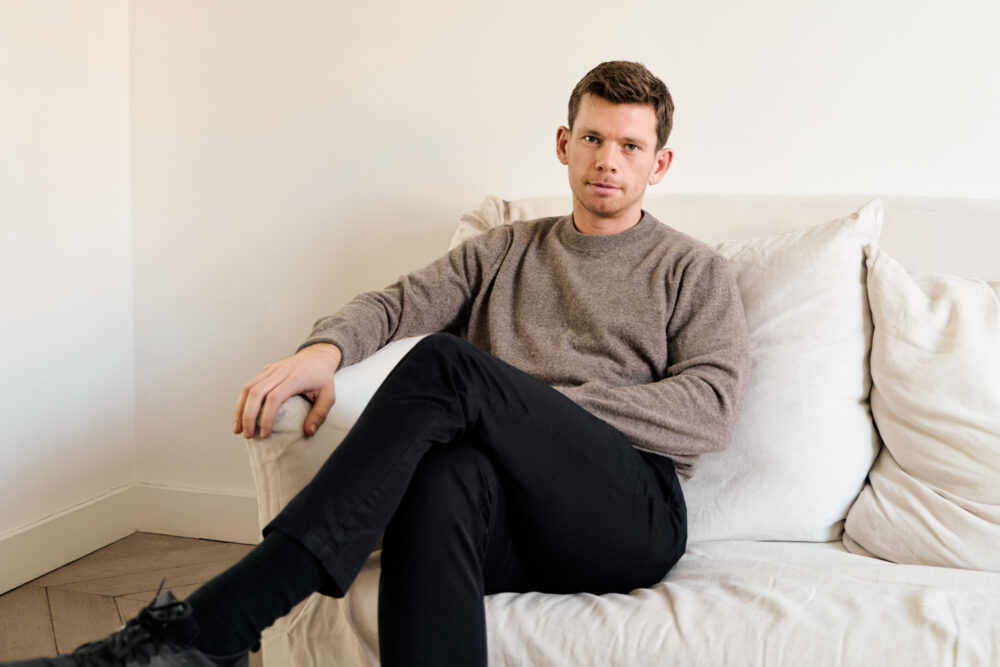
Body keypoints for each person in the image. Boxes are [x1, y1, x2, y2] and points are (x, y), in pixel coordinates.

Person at [5, 61, 749, 667]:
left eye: (630, 146)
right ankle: (197, 637)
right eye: (592, 138)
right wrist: (322, 351)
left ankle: (210, 626)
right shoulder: (506, 249)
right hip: (513, 522)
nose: (608, 160)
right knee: (444, 475)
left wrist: (523, 407)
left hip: (627, 518)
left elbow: (711, 408)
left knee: (451, 366)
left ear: (659, 162)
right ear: (564, 143)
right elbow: (398, 305)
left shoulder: (690, 268)